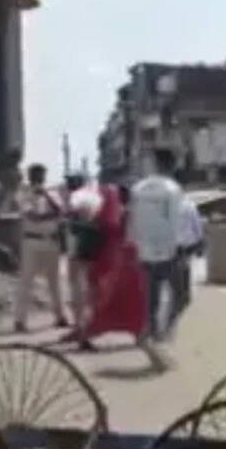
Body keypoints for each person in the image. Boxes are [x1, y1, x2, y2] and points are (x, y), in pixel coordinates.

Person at [73, 183, 152, 361]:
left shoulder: (107, 214)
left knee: (115, 302)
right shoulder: (127, 214)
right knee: (130, 302)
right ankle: (139, 335)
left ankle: (87, 334)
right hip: (126, 262)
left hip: (116, 261)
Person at [129, 148, 185, 346]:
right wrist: (178, 246)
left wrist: (135, 246)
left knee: (151, 296)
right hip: (169, 251)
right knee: (180, 294)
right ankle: (163, 333)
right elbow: (175, 222)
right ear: (172, 165)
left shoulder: (138, 189)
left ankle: (151, 332)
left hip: (144, 251)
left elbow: (132, 220)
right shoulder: (172, 189)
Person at [14, 164, 69, 332]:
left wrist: (45, 194)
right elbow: (33, 216)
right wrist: (49, 214)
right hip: (32, 240)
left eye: (41, 175)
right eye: (35, 175)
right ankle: (20, 320)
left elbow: (60, 210)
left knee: (55, 281)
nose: (39, 178)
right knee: (26, 281)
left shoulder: (51, 192)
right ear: (30, 176)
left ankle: (60, 316)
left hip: (51, 240)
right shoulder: (23, 193)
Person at [169, 193, 204, 339]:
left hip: (171, 248)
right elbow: (197, 226)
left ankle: (175, 308)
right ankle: (183, 301)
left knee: (175, 281)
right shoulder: (189, 205)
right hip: (185, 248)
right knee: (184, 277)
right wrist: (200, 243)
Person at [62, 173, 91, 334]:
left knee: (76, 286)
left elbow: (72, 222)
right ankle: (83, 323)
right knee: (83, 285)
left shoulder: (76, 199)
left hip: (77, 244)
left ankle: (80, 325)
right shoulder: (90, 198)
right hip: (86, 245)